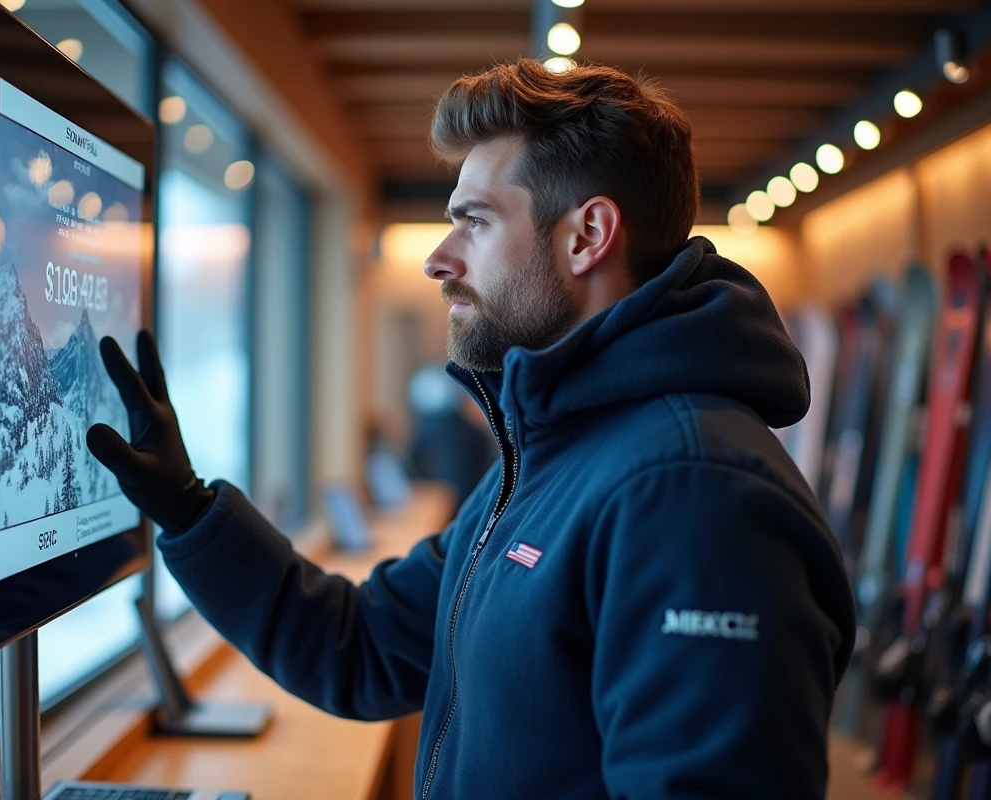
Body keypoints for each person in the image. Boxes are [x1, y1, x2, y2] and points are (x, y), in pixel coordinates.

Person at [87, 59, 856, 799]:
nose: (437, 259)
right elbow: (361, 648)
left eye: (474, 223)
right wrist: (189, 509)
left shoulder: (693, 493)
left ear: (587, 236)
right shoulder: (551, 452)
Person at [405, 363, 497, 506]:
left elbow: (414, 464)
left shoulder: (425, 431)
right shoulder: (473, 431)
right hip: (476, 502)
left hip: (446, 503)